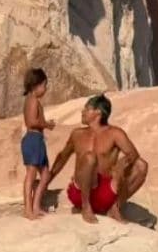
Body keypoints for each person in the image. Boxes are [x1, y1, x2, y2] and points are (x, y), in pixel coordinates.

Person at [48, 94, 148, 224]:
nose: (82, 112)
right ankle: (86, 207)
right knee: (90, 158)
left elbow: (133, 155)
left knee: (141, 165)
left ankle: (115, 207)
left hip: (106, 192)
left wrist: (121, 164)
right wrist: (46, 182)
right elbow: (62, 157)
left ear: (98, 112)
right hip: (80, 192)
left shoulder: (115, 133)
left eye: (87, 108)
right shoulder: (77, 134)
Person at [20, 68, 56, 219]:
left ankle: (36, 206)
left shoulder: (34, 101)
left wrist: (45, 124)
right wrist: (47, 124)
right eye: (44, 85)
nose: (45, 89)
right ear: (36, 85)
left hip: (38, 140)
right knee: (31, 174)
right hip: (33, 139)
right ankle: (28, 209)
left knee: (46, 174)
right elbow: (31, 122)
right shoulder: (33, 100)